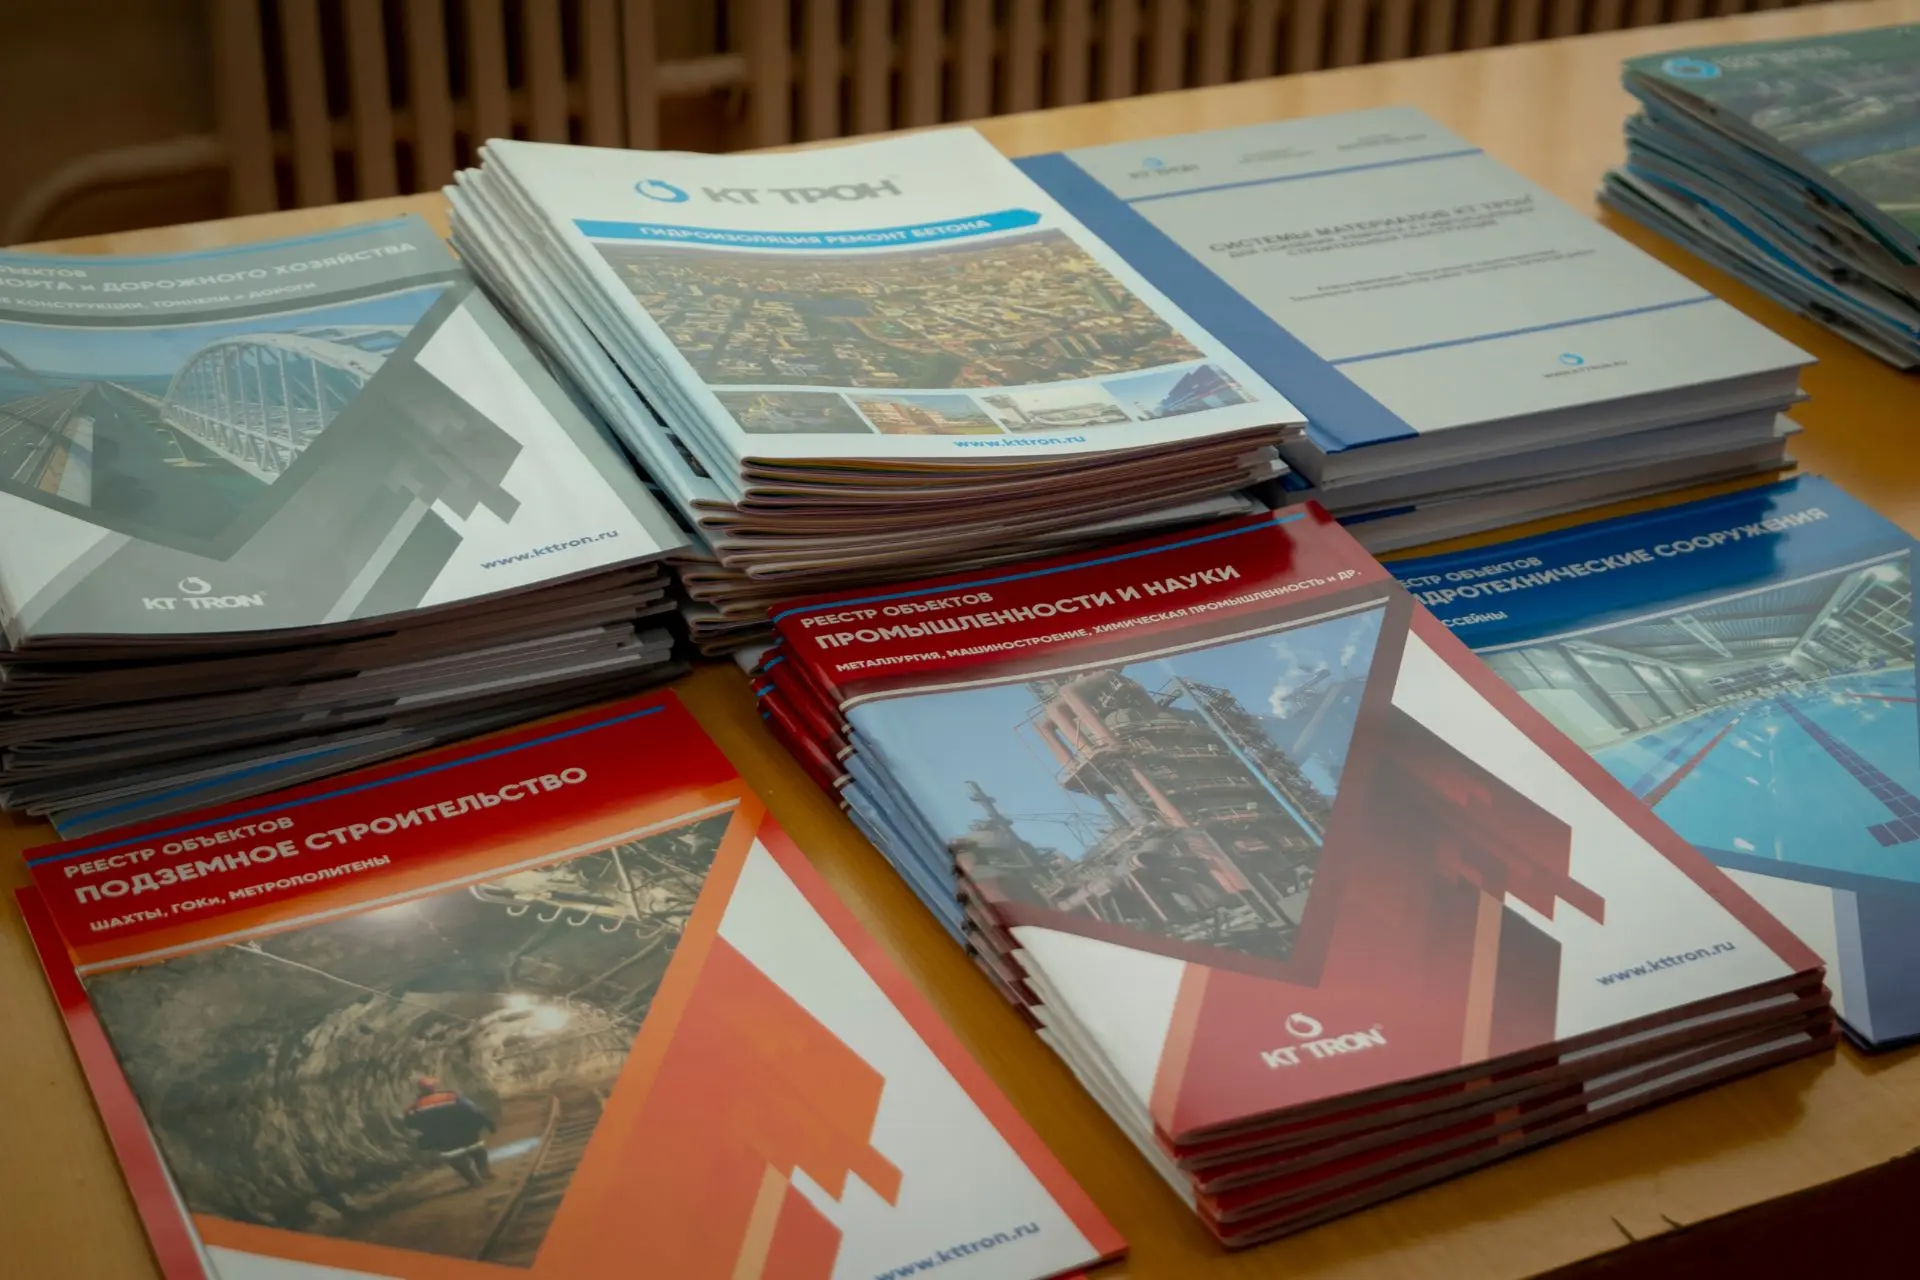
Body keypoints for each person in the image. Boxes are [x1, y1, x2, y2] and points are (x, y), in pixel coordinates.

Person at [402, 1076, 497, 1187]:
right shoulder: (451, 1096)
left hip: (444, 1140)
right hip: (466, 1133)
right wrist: (489, 1124)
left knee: (456, 1159)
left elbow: (409, 1123)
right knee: (478, 1151)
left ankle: (473, 1179)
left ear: (421, 1089)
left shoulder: (417, 1106)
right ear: (435, 1087)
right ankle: (483, 1170)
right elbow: (474, 1110)